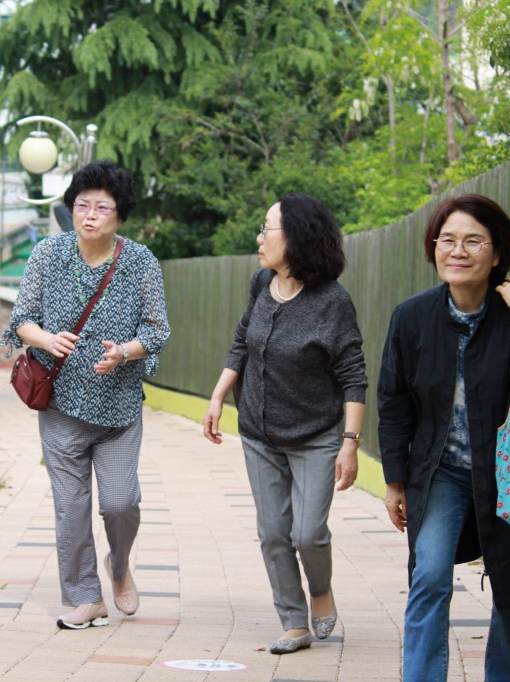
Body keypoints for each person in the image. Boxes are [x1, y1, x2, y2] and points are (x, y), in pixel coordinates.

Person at [377, 194, 510, 681]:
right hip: (442, 472)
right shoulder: (412, 317)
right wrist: (395, 480)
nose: (458, 251)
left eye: (473, 241)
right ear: (434, 248)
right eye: (447, 240)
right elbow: (394, 401)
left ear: (497, 254)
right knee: (429, 575)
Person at [1, 160, 171, 630]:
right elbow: (21, 318)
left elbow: (157, 330)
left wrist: (124, 353)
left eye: (101, 207)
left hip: (118, 408)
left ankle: (119, 564)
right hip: (59, 405)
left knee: (119, 504)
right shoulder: (47, 254)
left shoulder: (140, 262)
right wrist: (47, 339)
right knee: (70, 507)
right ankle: (85, 597)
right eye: (81, 205)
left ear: (120, 215)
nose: (89, 215)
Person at [202, 193, 367, 655]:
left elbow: (353, 375)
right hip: (259, 433)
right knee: (274, 533)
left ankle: (320, 590)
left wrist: (349, 443)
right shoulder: (261, 283)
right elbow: (242, 342)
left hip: (316, 434)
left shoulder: (332, 302)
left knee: (307, 534)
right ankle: (294, 622)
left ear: (295, 237)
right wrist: (218, 397)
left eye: (266, 228)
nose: (259, 238)